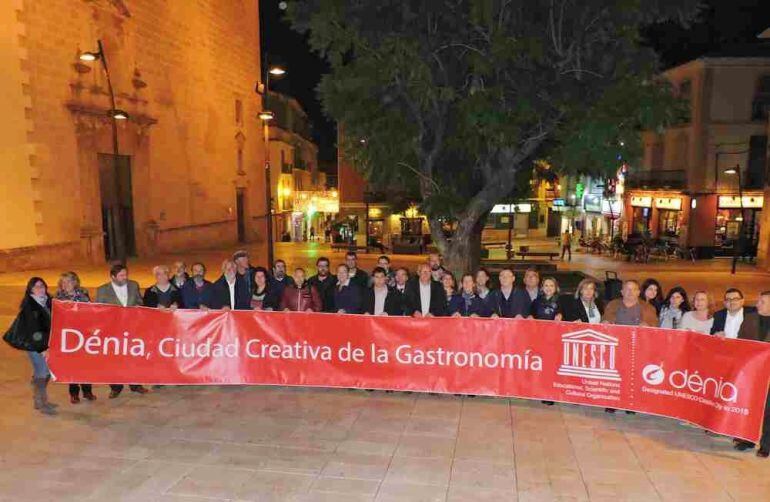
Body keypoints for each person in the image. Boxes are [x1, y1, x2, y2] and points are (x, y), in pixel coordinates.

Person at [95, 263, 147, 398]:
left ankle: (135, 384)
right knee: (113, 359)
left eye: (126, 274)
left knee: (133, 356)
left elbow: (140, 302)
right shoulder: (102, 290)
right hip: (112, 331)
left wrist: (137, 306)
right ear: (113, 277)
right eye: (121, 275)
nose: (125, 277)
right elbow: (98, 311)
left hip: (132, 328)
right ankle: (116, 387)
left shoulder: (133, 285)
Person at [731, 291, 770, 456]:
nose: (757, 304)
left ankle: (766, 445)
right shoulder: (750, 319)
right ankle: (746, 438)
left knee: (768, 410)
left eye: (762, 302)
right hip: (752, 372)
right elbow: (741, 342)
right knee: (749, 405)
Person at [10, 278, 57, 414]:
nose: (40, 289)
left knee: (45, 372)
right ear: (31, 290)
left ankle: (40, 396)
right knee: (42, 372)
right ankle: (40, 401)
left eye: (42, 286)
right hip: (35, 346)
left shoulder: (47, 302)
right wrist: (42, 349)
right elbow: (34, 332)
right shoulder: (30, 306)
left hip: (45, 344)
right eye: (36, 287)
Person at [56, 272, 96, 403]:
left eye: (69, 281)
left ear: (75, 282)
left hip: (83, 335)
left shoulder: (83, 295)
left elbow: (91, 312)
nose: (66, 284)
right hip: (67, 336)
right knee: (71, 365)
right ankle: (74, 393)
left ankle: (87, 391)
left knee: (85, 364)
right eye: (63, 282)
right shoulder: (58, 299)